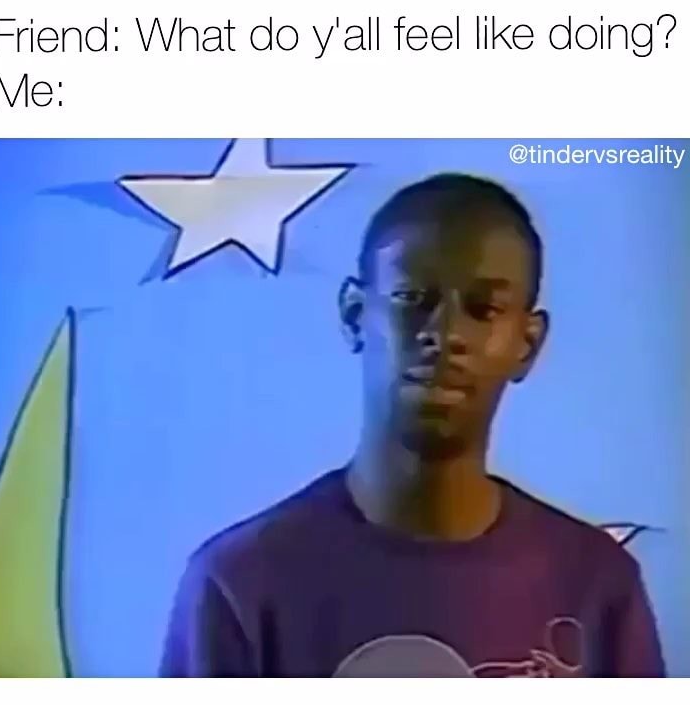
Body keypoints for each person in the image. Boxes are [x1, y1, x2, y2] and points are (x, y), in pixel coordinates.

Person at [159, 173, 665, 677]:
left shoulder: (596, 584)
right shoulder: (239, 586)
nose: (445, 334)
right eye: (412, 299)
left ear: (526, 344)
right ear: (355, 314)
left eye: (484, 309)